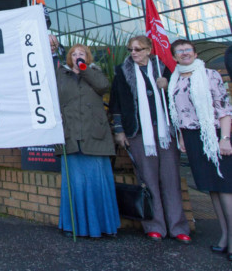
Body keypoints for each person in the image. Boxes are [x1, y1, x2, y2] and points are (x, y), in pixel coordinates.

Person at [109, 36, 190, 243]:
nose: (133, 52)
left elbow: (181, 98)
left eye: (138, 49)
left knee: (170, 179)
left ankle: (178, 226)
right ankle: (155, 225)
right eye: (130, 49)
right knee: (148, 180)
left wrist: (167, 85)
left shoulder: (162, 68)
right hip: (138, 132)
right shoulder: (122, 71)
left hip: (165, 132)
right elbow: (115, 103)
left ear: (148, 50)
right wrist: (119, 131)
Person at [168, 39, 232, 260]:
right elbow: (178, 113)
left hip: (213, 133)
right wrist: (181, 137)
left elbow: (223, 107)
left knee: (225, 187)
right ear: (175, 57)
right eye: (179, 51)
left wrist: (225, 138)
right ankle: (224, 236)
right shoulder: (174, 79)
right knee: (211, 187)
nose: (184, 53)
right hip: (192, 137)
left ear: (194, 53)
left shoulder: (209, 75)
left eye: (188, 50)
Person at [55, 44, 119, 237]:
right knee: (74, 182)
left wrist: (84, 69)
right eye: (73, 54)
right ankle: (74, 226)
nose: (77, 57)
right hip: (71, 135)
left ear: (87, 57)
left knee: (97, 180)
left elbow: (102, 87)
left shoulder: (95, 72)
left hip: (94, 134)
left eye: (81, 54)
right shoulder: (60, 75)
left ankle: (104, 226)